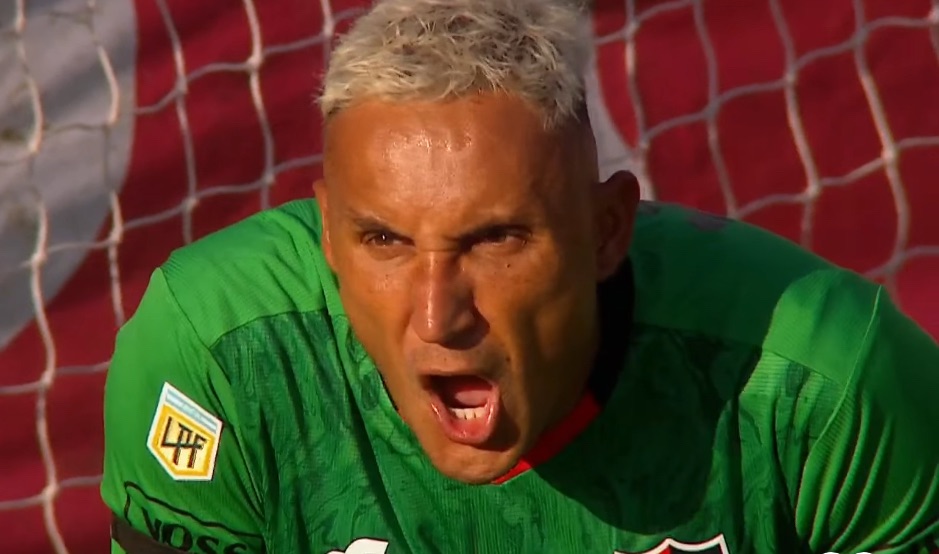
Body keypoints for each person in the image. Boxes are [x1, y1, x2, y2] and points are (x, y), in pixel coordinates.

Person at [100, 0, 939, 552]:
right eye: (384, 239)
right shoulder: (219, 358)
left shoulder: (821, 383)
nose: (439, 315)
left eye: (495, 240)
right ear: (327, 233)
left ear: (604, 230)